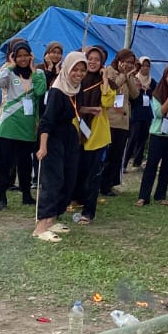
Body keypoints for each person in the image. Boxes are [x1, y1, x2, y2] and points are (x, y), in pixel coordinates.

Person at [33, 52, 87, 241]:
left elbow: (75, 111)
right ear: (67, 69)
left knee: (69, 179)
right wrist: (43, 146)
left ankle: (53, 218)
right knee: (52, 180)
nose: (79, 74)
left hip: (69, 135)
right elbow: (46, 121)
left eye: (82, 70)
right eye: (75, 69)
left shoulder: (77, 88)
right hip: (53, 136)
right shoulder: (57, 91)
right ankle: (40, 226)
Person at [0, 39, 46, 211]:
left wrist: (34, 71)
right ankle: (2, 196)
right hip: (9, 124)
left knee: (25, 163)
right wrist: (10, 65)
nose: (22, 59)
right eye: (19, 56)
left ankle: (26, 195)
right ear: (14, 57)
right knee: (4, 162)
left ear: (31, 56)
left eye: (25, 55)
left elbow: (40, 91)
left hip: (28, 126)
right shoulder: (9, 73)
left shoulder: (38, 74)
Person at [72, 45, 114, 223]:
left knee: (93, 175)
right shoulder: (77, 80)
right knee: (76, 171)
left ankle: (89, 212)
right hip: (77, 131)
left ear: (102, 63)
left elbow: (107, 101)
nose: (93, 62)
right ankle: (74, 200)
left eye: (97, 59)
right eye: (90, 58)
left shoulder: (106, 83)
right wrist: (87, 109)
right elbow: (71, 103)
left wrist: (104, 78)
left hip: (97, 135)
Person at [137, 62, 168, 206]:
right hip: (158, 134)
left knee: (167, 166)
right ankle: (143, 196)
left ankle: (160, 195)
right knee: (151, 166)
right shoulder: (158, 93)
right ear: (164, 77)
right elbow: (159, 112)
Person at [100, 48, 141, 196]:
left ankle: (109, 184)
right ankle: (101, 184)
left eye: (132, 63)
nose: (129, 65)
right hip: (110, 120)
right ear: (119, 60)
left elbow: (136, 95)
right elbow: (113, 88)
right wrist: (123, 75)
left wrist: (129, 78)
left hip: (123, 121)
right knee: (106, 155)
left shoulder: (129, 75)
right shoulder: (109, 71)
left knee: (117, 155)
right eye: (126, 62)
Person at [125, 56, 157, 172]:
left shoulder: (152, 82)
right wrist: (138, 88)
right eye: (143, 65)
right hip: (136, 112)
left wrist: (149, 90)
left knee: (143, 138)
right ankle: (124, 163)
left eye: (148, 66)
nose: (145, 68)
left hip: (147, 113)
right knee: (132, 137)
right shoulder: (133, 79)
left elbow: (156, 95)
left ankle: (137, 163)